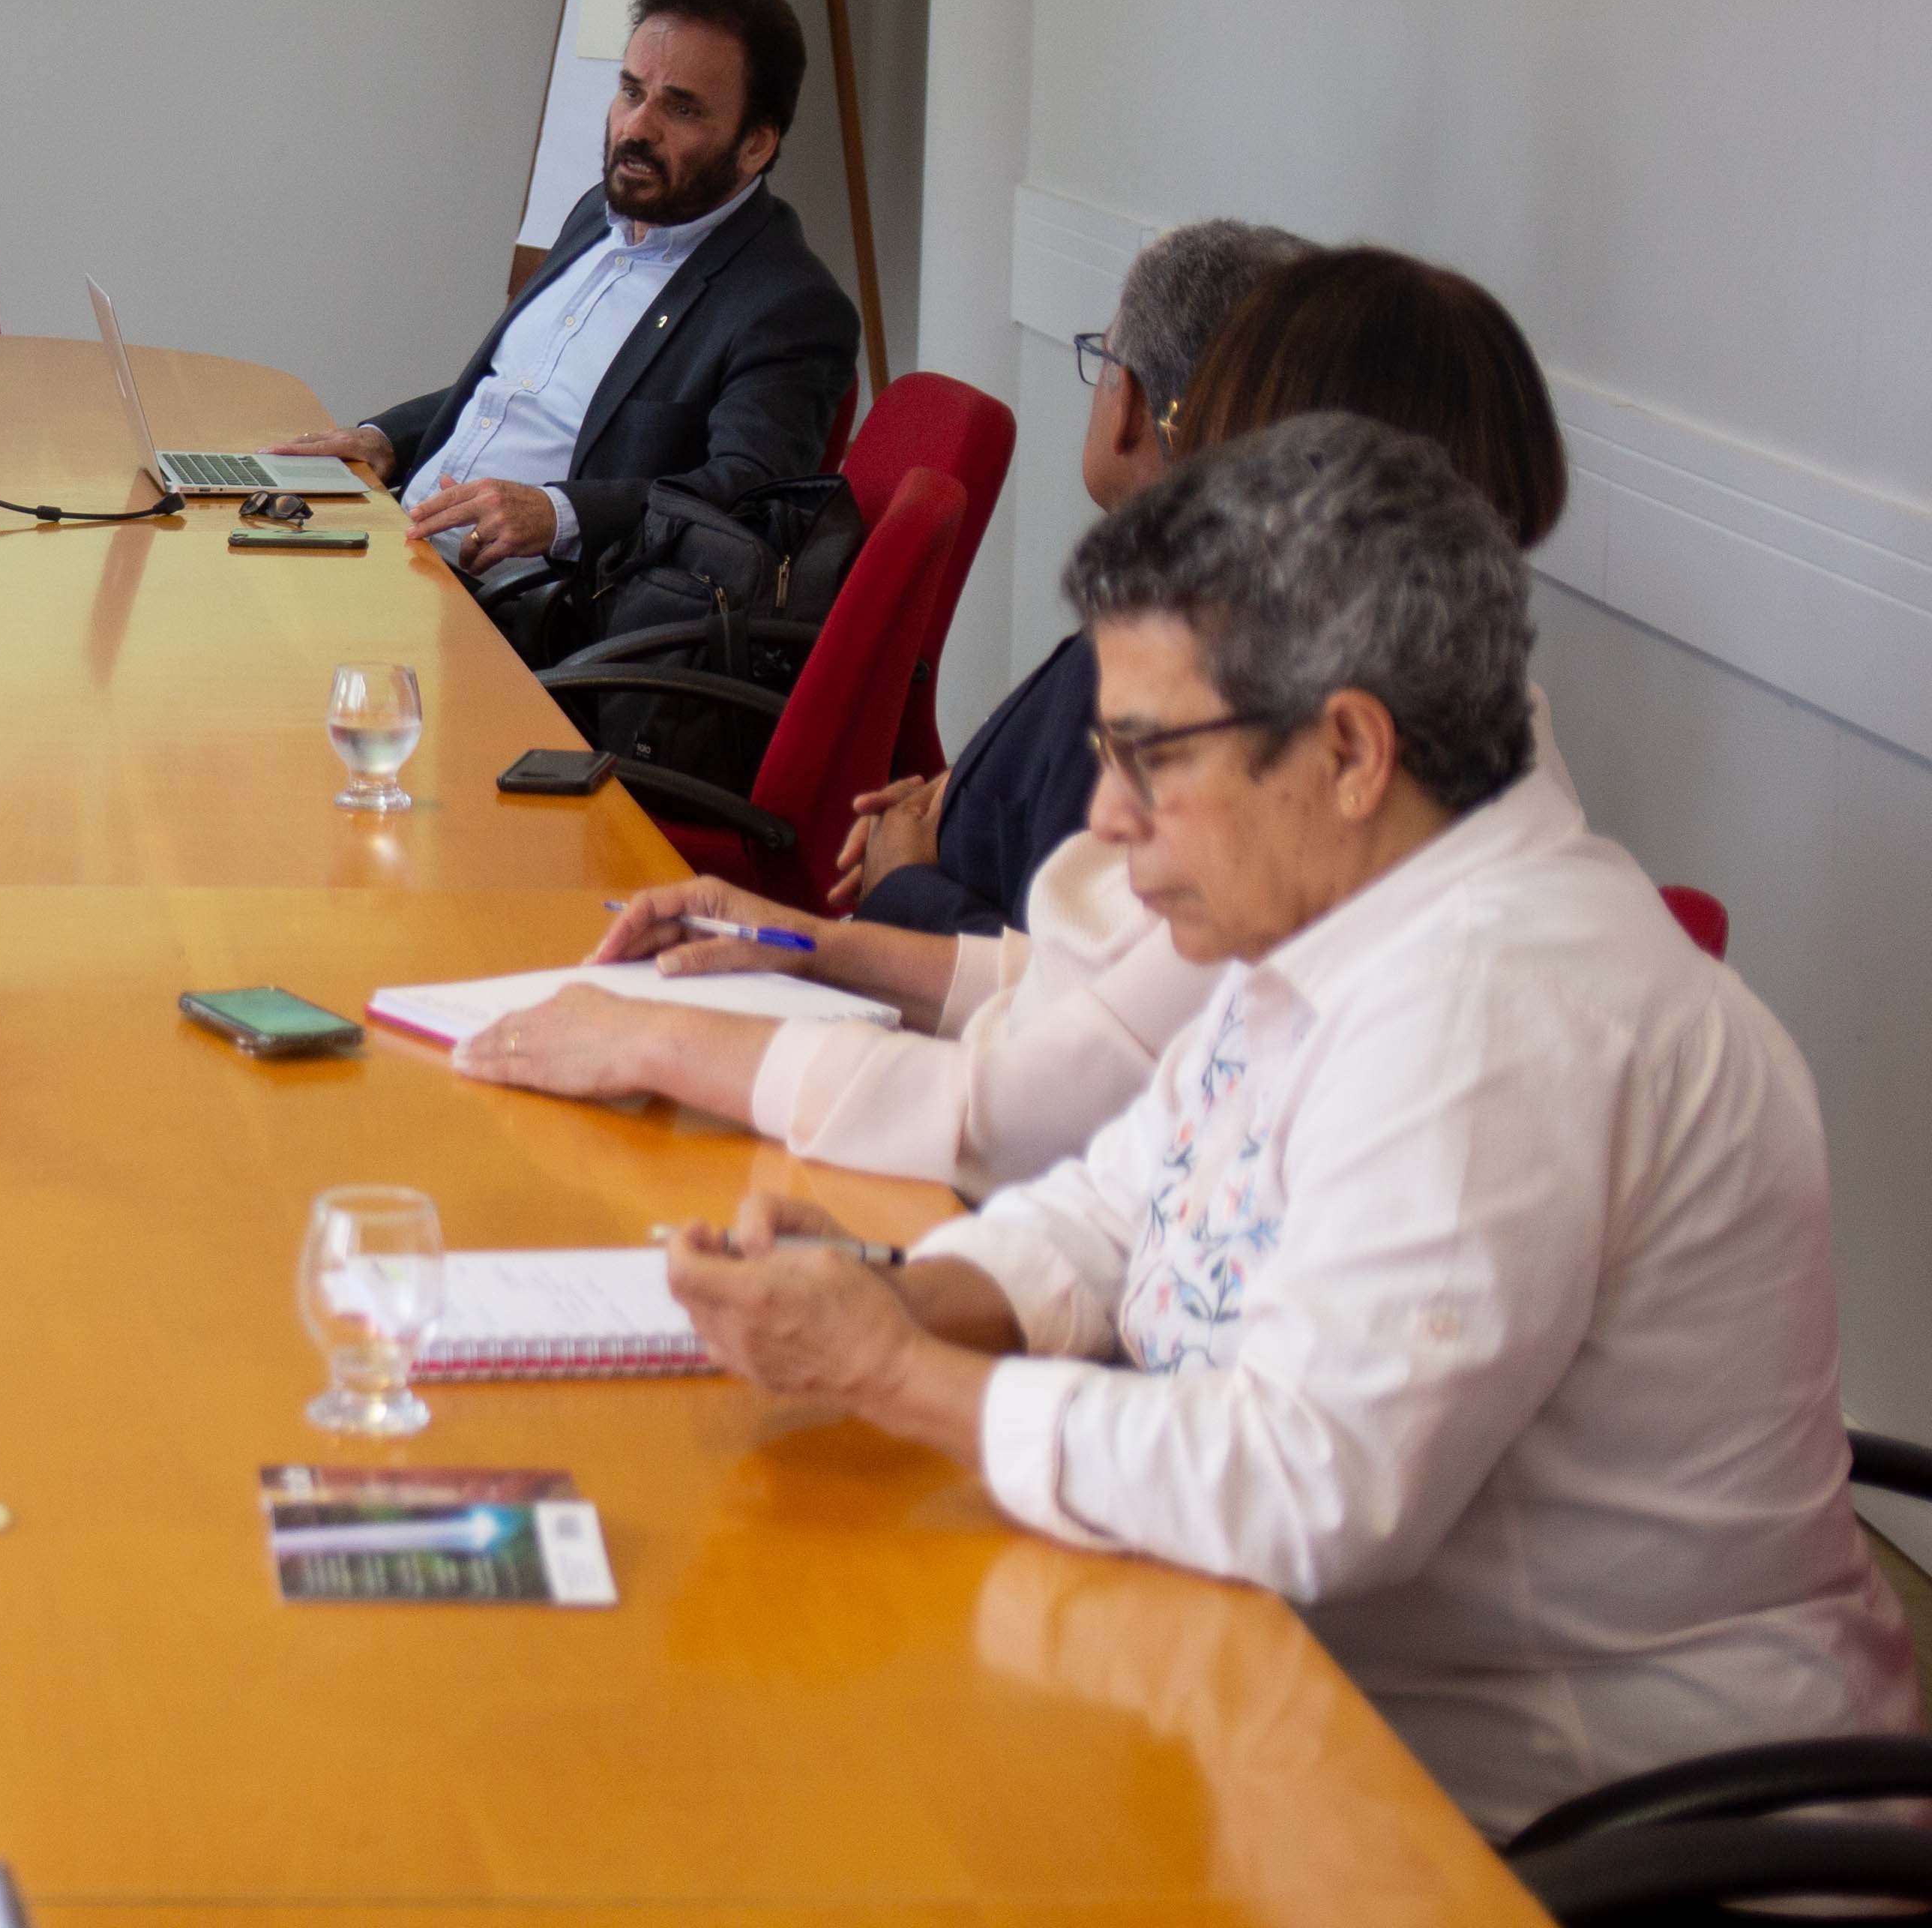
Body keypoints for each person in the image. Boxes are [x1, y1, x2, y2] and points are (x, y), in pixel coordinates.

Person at [654, 415, 1914, 1839]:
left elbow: (1308, 1488)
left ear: (1348, 752)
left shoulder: (1499, 1007)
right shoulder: (1336, 919)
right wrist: (892, 1291)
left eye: (1147, 758)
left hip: (1587, 1829)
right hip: (1313, 1708)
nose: (1106, 821)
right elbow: (1123, 1205)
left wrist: (890, 1371)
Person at [461, 245, 1571, 1197]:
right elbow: (1090, 1020)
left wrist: (663, 1038)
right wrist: (801, 944)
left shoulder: (1404, 893)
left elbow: (1029, 1108)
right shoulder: (1418, 722)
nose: (1120, 821)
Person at [271, 0, 860, 640]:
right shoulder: (597, 216)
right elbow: (517, 391)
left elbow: (751, 503)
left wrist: (561, 514)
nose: (637, 128)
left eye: (682, 107)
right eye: (631, 92)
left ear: (756, 144)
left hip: (522, 623)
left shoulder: (788, 305)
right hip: (402, 548)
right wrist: (382, 441)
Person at [839, 220, 1315, 934]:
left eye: (1105, 361)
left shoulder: (1170, 651)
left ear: (1132, 407)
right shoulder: (1283, 603)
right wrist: (947, 799)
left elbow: (1061, 978)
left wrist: (902, 881)